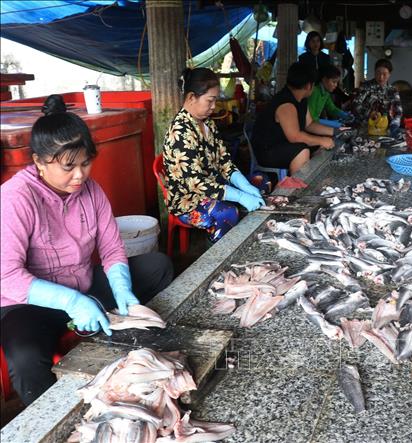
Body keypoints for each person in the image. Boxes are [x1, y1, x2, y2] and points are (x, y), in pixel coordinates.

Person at [0, 95, 174, 406]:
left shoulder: (90, 190)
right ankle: (52, 418)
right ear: (39, 161)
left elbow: (111, 248)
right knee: (25, 359)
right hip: (29, 303)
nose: (79, 175)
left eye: (85, 163)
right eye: (68, 166)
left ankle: (127, 338)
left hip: (82, 284)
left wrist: (121, 288)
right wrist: (71, 301)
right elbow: (9, 278)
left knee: (157, 265)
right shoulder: (16, 197)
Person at [163, 68, 265, 244]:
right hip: (188, 201)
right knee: (227, 212)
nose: (213, 106)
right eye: (210, 101)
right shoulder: (180, 132)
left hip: (213, 186)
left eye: (215, 100)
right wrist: (240, 196)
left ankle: (248, 236)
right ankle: (218, 253)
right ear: (191, 97)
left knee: (261, 181)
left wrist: (244, 185)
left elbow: (223, 160)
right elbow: (197, 184)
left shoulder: (207, 122)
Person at [251, 62, 335, 174]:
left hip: (284, 143)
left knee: (319, 145)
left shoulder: (301, 99)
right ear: (309, 85)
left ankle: (313, 177)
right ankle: (297, 189)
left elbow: (309, 125)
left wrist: (334, 131)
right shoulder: (285, 103)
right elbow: (294, 136)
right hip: (267, 150)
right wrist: (322, 140)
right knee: (302, 151)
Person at [352, 59, 403, 137]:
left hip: (385, 131)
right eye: (378, 73)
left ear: (389, 74)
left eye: (384, 74)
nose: (381, 77)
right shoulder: (365, 87)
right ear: (374, 72)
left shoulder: (392, 90)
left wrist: (395, 124)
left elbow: (398, 111)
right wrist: (369, 114)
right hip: (364, 130)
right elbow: (356, 105)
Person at [308, 64, 352, 128]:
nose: (336, 85)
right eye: (334, 82)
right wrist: (334, 123)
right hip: (309, 126)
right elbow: (312, 119)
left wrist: (346, 115)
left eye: (337, 82)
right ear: (324, 79)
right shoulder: (314, 92)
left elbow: (332, 109)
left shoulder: (326, 92)